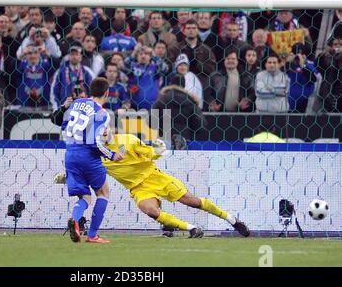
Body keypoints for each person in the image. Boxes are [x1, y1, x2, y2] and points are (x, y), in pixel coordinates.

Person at [56, 133, 250, 238]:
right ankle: (191, 228)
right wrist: (66, 176)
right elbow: (85, 171)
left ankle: (232, 220)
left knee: (191, 201)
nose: (102, 133)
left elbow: (149, 152)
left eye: (104, 129)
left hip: (154, 177)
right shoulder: (97, 155)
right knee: (149, 209)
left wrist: (158, 150)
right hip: (138, 188)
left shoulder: (128, 140)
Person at [62, 77, 124, 244]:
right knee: (103, 192)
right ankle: (92, 235)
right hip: (88, 156)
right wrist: (111, 155)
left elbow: (64, 126)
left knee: (84, 197)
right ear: (107, 93)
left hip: (70, 154)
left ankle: (75, 220)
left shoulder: (77, 103)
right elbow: (94, 142)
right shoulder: (102, 114)